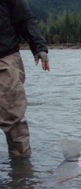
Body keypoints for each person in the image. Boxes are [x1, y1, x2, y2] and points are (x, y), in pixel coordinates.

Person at [0, 0, 50, 158]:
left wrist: (39, 47)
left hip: (4, 57)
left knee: (13, 121)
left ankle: (22, 176)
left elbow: (25, 18)